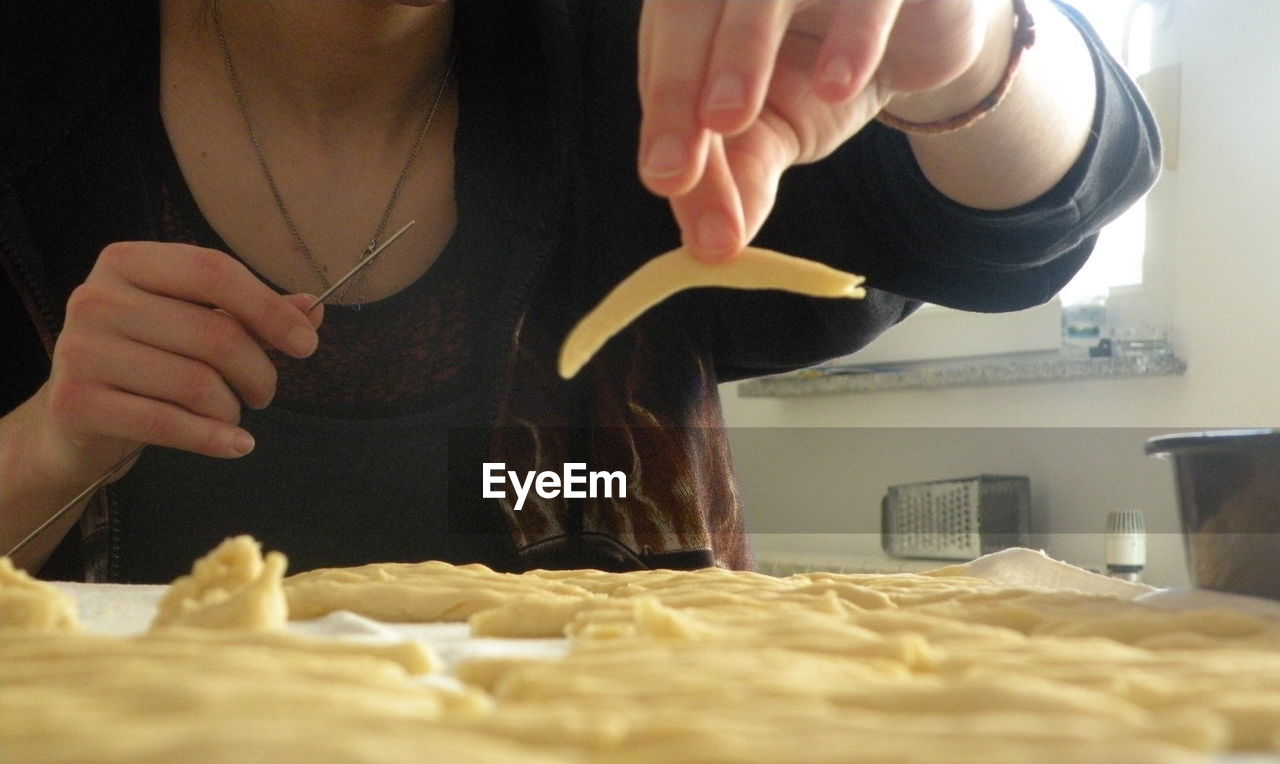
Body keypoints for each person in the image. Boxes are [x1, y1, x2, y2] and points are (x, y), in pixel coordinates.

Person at [0, 0, 1158, 582]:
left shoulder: (642, 51)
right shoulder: (39, 88)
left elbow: (1024, 216)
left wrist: (962, 57)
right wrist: (44, 449)